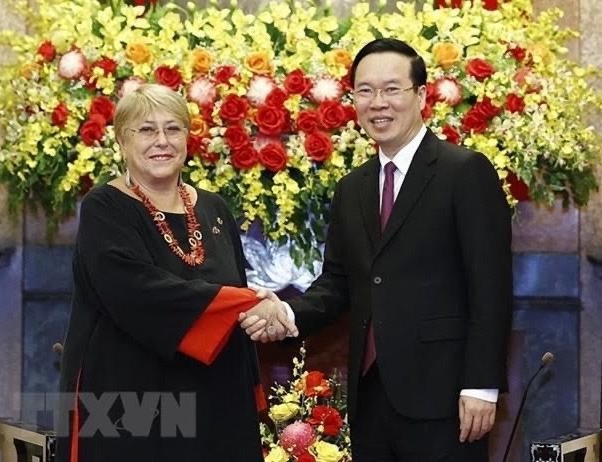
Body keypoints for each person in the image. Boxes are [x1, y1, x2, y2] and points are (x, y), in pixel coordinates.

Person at [241, 38, 513, 461]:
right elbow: (337, 282)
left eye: (391, 89)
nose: (377, 103)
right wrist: (287, 313)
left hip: (446, 396)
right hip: (370, 397)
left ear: (421, 95)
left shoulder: (465, 172)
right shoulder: (354, 188)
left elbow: (491, 286)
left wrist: (481, 385)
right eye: (365, 91)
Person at [57, 84, 296, 462]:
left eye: (173, 129)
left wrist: (259, 311)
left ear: (188, 138)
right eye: (147, 130)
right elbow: (137, 291)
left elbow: (237, 290)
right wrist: (250, 303)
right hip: (132, 403)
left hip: (217, 396)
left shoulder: (215, 207)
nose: (162, 141)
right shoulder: (105, 207)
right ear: (122, 140)